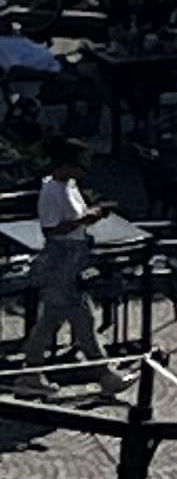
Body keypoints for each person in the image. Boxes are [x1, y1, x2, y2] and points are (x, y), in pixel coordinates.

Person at [23, 156, 107, 369]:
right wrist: (82, 221)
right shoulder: (51, 191)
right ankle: (104, 372)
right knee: (83, 319)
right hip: (61, 259)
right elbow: (50, 229)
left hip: (76, 256)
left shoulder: (70, 185)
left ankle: (31, 370)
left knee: (50, 320)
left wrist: (90, 214)